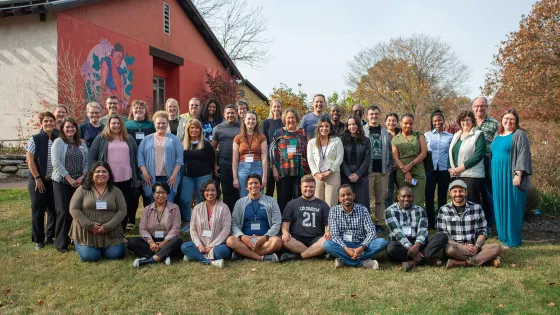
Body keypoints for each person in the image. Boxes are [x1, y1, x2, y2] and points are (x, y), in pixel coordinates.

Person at [89, 115, 139, 231]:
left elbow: (135, 158)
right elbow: (92, 157)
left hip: (126, 178)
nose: (116, 126)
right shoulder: (101, 138)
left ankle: (121, 230)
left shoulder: (129, 138)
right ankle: (109, 228)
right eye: (113, 123)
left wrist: (138, 177)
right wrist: (93, 175)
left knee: (124, 205)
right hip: (108, 178)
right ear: (109, 125)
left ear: (122, 125)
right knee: (109, 205)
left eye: (118, 123)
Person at [69, 161, 126, 262]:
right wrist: (90, 225)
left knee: (115, 254)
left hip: (110, 233)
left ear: (109, 174)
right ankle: (81, 244)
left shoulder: (116, 191)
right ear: (91, 174)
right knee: (91, 257)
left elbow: (122, 211)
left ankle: (106, 247)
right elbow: (74, 209)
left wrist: (107, 227)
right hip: (86, 233)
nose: (101, 174)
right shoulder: (82, 190)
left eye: (104, 171)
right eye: (97, 172)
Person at [491, 109, 532, 248]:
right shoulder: (497, 134)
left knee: (512, 206)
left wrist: (518, 174)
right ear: (502, 120)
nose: (508, 121)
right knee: (500, 204)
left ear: (516, 121)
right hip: (497, 175)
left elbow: (523, 155)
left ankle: (512, 239)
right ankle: (503, 236)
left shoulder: (519, 134)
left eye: (512, 119)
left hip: (511, 175)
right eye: (506, 118)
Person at [437, 179, 502, 268]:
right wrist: (461, 246)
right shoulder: (443, 210)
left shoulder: (476, 208)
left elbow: (483, 230)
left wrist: (476, 247)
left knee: (497, 247)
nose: (458, 194)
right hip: (455, 247)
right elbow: (442, 235)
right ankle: (486, 260)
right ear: (450, 193)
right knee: (450, 250)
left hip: (475, 247)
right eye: (454, 191)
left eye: (461, 191)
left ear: (466, 192)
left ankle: (462, 263)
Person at [323, 185, 388, 269]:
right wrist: (347, 249)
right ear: (339, 199)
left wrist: (361, 247)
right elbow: (335, 235)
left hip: (361, 244)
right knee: (327, 245)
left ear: (354, 196)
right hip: (344, 245)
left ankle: (344, 260)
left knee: (382, 242)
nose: (346, 197)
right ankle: (363, 263)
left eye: (349, 194)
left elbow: (371, 232)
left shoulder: (363, 210)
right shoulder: (334, 211)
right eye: (343, 195)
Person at [385, 187, 448, 271]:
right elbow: (397, 232)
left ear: (413, 197)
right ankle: (427, 258)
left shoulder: (420, 210)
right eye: (403, 196)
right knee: (391, 249)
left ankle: (413, 262)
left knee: (442, 237)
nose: (406, 199)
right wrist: (410, 247)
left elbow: (423, 230)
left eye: (409, 196)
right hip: (400, 243)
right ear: (398, 197)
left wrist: (417, 245)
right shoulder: (390, 211)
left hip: (418, 242)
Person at [51, 117, 89, 253]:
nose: (70, 129)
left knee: (78, 211)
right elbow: (56, 162)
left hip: (80, 183)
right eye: (67, 127)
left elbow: (87, 163)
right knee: (63, 212)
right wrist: (69, 178)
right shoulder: (58, 142)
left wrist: (83, 177)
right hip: (62, 182)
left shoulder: (81, 144)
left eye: (73, 127)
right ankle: (61, 243)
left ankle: (75, 237)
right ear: (62, 129)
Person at [226, 174, 283, 262]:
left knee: (277, 242)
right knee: (230, 241)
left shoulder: (271, 201)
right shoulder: (239, 203)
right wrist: (243, 237)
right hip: (246, 239)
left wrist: (265, 237)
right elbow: (234, 223)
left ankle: (243, 253)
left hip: (265, 239)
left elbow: (277, 223)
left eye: (256, 183)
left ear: (261, 185)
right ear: (246, 187)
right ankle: (261, 257)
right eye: (250, 183)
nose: (253, 186)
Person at [26, 111, 59, 250]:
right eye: (45, 121)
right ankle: (39, 239)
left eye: (51, 121)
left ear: (54, 122)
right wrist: (38, 178)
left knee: (53, 209)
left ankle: (49, 236)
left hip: (54, 180)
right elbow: (30, 160)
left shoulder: (59, 138)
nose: (48, 123)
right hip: (37, 180)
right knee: (38, 209)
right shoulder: (35, 139)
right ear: (41, 123)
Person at [130, 182, 183, 268]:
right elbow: (142, 228)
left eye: (164, 192)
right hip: (152, 239)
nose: (161, 195)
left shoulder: (174, 207)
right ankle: (164, 255)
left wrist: (164, 243)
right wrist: (151, 243)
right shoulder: (147, 209)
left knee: (178, 240)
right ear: (154, 194)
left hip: (168, 240)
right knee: (132, 242)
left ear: (167, 194)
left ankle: (151, 259)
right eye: (158, 192)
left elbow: (176, 228)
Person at [279, 175, 331, 262]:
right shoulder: (291, 204)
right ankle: (316, 253)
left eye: (311, 186)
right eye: (305, 186)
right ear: (300, 187)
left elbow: (328, 223)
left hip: (316, 238)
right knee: (285, 241)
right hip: (297, 238)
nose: (308, 189)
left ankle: (299, 256)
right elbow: (285, 223)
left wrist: (328, 232)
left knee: (327, 241)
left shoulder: (323, 205)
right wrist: (285, 232)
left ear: (315, 187)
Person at [181, 180, 231, 268]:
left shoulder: (224, 207)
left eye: (213, 190)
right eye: (207, 190)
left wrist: (212, 246)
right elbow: (193, 229)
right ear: (203, 192)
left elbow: (226, 230)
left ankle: (194, 256)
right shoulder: (197, 208)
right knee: (185, 246)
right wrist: (199, 245)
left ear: (217, 192)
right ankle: (210, 262)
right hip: (200, 246)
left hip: (217, 246)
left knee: (223, 251)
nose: (210, 193)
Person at [138, 111, 183, 204]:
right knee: (152, 204)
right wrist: (145, 173)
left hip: (169, 178)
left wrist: (174, 175)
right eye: (158, 123)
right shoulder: (146, 140)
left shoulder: (174, 139)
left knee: (168, 203)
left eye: (163, 123)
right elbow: (140, 157)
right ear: (154, 123)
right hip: (150, 178)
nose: (161, 125)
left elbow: (179, 159)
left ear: (167, 124)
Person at [270, 108, 310, 212]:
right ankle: (283, 226)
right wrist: (274, 168)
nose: (291, 120)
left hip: (300, 173)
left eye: (293, 117)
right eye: (288, 118)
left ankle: (297, 226)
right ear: (284, 119)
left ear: (296, 118)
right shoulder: (278, 133)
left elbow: (310, 151)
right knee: (283, 201)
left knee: (299, 200)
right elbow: (272, 151)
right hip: (283, 172)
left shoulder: (303, 133)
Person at [180, 119, 215, 230]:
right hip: (187, 176)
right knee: (185, 199)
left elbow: (212, 159)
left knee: (202, 199)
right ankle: (189, 221)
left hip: (203, 176)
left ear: (200, 130)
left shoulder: (206, 144)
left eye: (196, 128)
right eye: (192, 128)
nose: (194, 130)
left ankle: (201, 222)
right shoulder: (183, 144)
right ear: (188, 130)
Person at [364, 106, 393, 233]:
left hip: (382, 171)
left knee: (380, 200)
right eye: (371, 114)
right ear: (367, 116)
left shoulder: (384, 132)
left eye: (376, 114)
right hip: (368, 171)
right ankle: (366, 223)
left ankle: (379, 223)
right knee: (366, 199)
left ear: (379, 115)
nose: (373, 116)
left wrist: (389, 167)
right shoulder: (363, 130)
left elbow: (390, 151)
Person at [448, 111, 486, 206]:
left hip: (471, 176)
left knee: (472, 204)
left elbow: (479, 155)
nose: (465, 122)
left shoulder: (478, 134)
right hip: (456, 175)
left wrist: (461, 168)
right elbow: (450, 153)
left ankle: (476, 221)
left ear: (472, 121)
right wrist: (450, 169)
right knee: (458, 204)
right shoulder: (456, 135)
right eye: (462, 120)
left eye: (467, 120)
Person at [424, 110, 453, 229]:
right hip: (430, 170)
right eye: (435, 121)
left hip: (444, 170)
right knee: (429, 196)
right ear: (432, 122)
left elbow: (452, 153)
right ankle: (430, 221)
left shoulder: (450, 136)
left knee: (442, 197)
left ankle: (441, 221)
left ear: (443, 121)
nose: (437, 123)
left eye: (439, 120)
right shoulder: (427, 135)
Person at [473, 96, 498, 229]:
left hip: (488, 161)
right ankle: (476, 223)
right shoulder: (469, 123)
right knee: (474, 193)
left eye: (482, 106)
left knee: (488, 193)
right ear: (473, 108)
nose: (479, 108)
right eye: (477, 106)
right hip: (471, 163)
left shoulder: (494, 123)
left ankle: (490, 223)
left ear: (486, 107)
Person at [392, 113, 427, 205]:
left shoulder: (419, 135)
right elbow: (395, 157)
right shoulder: (395, 139)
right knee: (404, 201)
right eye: (405, 123)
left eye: (411, 123)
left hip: (418, 170)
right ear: (400, 123)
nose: (408, 125)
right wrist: (406, 171)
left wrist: (411, 165)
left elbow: (424, 153)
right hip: (402, 171)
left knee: (418, 200)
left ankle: (419, 219)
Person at [307, 117, 343, 207]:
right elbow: (310, 160)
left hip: (332, 175)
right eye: (322, 126)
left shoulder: (337, 141)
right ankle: (319, 221)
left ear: (330, 128)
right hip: (317, 176)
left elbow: (339, 158)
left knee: (330, 203)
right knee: (317, 204)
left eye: (327, 126)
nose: (324, 128)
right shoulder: (311, 143)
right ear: (318, 128)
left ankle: (330, 221)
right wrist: (316, 173)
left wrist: (329, 171)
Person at [212, 104, 241, 211]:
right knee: (227, 193)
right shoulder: (218, 128)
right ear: (224, 115)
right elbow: (213, 149)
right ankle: (228, 219)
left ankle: (238, 219)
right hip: (224, 165)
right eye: (228, 113)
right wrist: (215, 165)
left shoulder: (243, 127)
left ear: (236, 114)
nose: (230, 115)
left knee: (239, 193)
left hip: (240, 165)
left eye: (232, 113)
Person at [341, 115, 371, 213]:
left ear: (358, 125)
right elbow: (341, 159)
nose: (352, 127)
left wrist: (358, 174)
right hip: (346, 177)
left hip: (362, 177)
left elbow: (367, 160)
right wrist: (349, 174)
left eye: (354, 124)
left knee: (362, 204)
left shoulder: (366, 140)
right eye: (349, 124)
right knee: (347, 203)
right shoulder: (342, 140)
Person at [233, 111, 268, 198]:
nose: (251, 121)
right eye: (249, 119)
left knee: (259, 195)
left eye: (253, 119)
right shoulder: (238, 138)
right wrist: (235, 178)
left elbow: (264, 158)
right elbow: (235, 160)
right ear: (244, 121)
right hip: (242, 168)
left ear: (256, 122)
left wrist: (264, 176)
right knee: (244, 196)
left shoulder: (262, 137)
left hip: (258, 166)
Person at [261, 99, 284, 197]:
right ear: (271, 108)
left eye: (278, 106)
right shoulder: (266, 122)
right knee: (269, 189)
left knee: (282, 190)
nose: (276, 109)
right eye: (274, 106)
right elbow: (264, 141)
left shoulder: (284, 122)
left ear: (281, 108)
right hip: (270, 158)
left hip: (283, 158)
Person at [384, 113, 400, 209]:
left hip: (401, 168)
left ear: (397, 122)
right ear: (385, 122)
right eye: (389, 120)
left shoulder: (402, 134)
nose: (391, 123)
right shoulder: (383, 134)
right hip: (387, 169)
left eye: (394, 121)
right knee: (388, 194)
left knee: (403, 191)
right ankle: (388, 215)